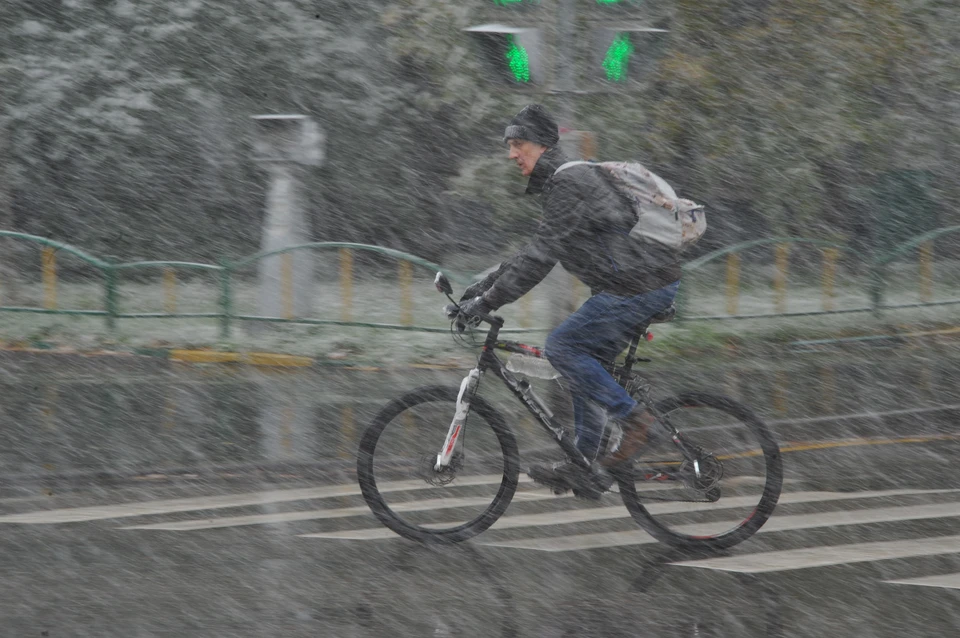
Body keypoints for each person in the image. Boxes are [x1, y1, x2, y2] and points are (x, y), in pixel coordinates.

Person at [457, 104, 682, 499]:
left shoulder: (569, 182)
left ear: (542, 145)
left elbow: (541, 256)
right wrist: (482, 289)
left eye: (519, 144)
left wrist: (490, 302)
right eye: (510, 146)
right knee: (583, 362)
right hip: (639, 283)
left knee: (564, 347)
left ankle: (636, 423)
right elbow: (537, 249)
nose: (512, 154)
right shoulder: (564, 184)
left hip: (639, 285)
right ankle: (584, 463)